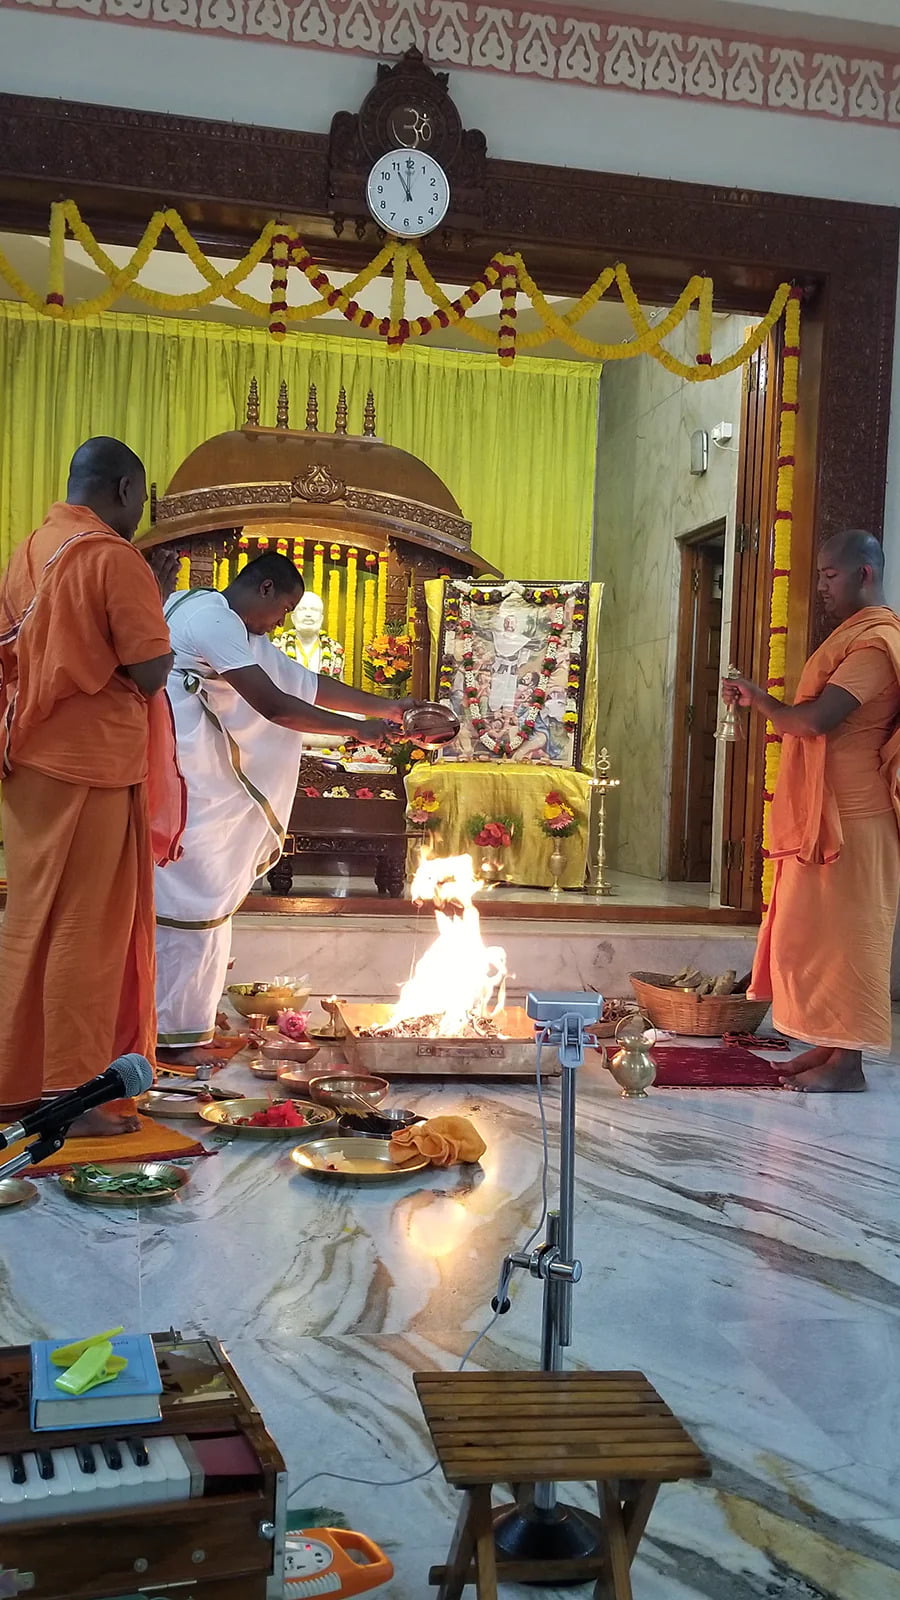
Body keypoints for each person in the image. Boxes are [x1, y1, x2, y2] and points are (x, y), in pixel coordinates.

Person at [155, 553, 416, 1062]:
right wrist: (357, 729)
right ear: (265, 588)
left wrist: (386, 707)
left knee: (200, 901)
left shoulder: (221, 618)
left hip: (194, 774)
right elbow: (273, 705)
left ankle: (181, 1027)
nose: (282, 622)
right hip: (190, 781)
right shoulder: (212, 619)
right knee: (195, 899)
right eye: (285, 609)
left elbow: (303, 683)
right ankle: (176, 1039)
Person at [0, 439, 181, 1136]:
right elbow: (151, 671)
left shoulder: (31, 549)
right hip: (92, 765)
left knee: (30, 923)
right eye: (141, 498)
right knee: (88, 932)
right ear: (125, 488)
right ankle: (70, 1099)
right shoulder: (112, 558)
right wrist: (154, 594)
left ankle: (19, 1081)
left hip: (29, 759)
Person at [723, 530, 900, 1092]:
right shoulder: (852, 637)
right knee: (819, 934)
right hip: (826, 809)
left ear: (864, 574)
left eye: (830, 575)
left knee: (849, 940)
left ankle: (849, 1066)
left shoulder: (876, 644)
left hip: (856, 816)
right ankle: (831, 1046)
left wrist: (760, 699)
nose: (821, 586)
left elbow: (815, 721)